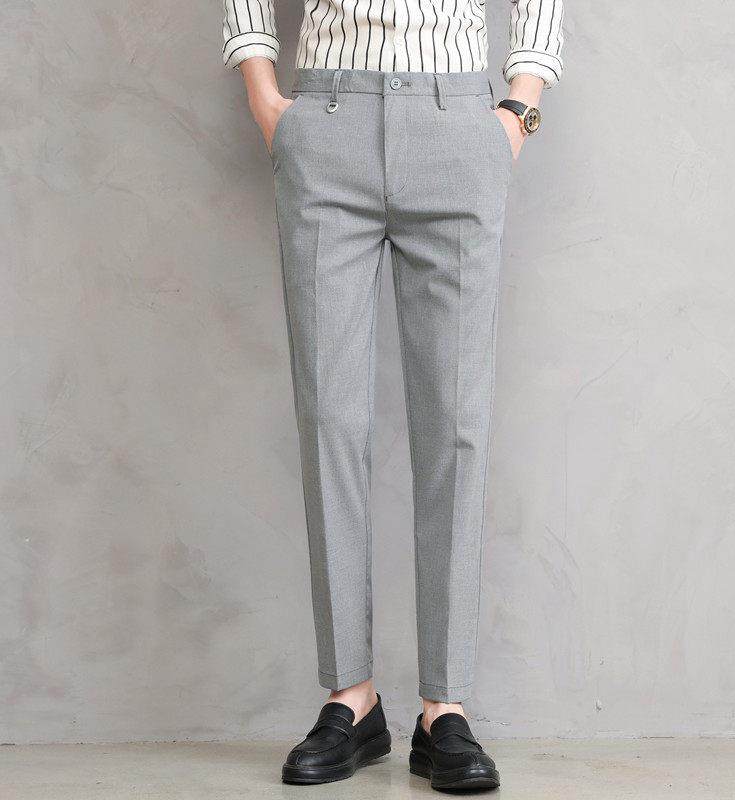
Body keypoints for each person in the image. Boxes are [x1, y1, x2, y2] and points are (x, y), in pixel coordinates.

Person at [223, 0, 563, 790]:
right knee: (329, 417)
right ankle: (352, 697)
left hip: (458, 124)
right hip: (327, 121)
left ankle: (446, 708)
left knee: (455, 424)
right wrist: (266, 98)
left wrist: (517, 110)